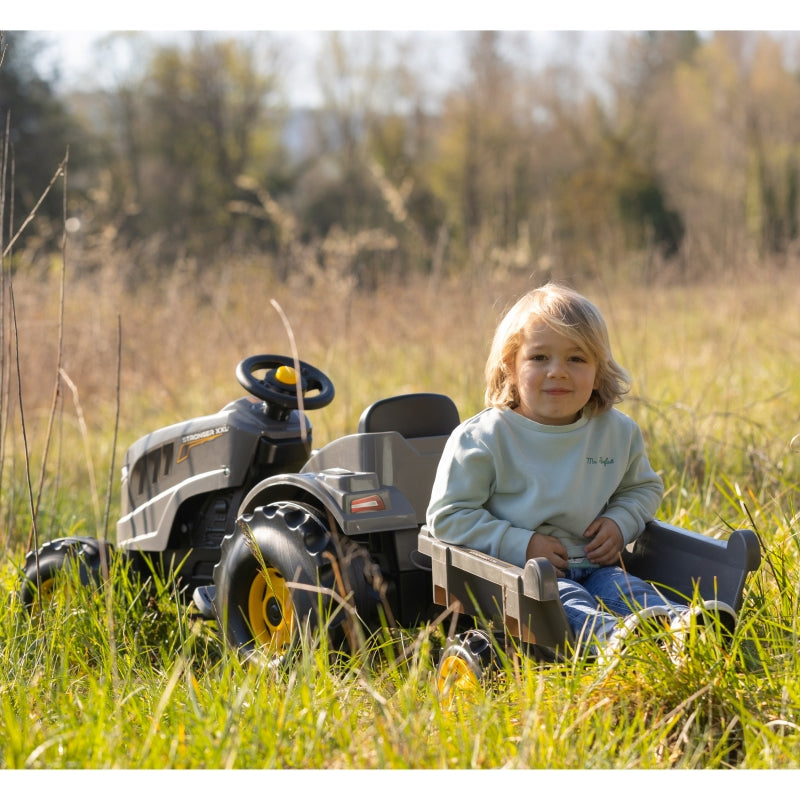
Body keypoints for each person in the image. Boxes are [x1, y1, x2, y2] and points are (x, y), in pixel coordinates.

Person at [426, 282, 735, 662]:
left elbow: (642, 489)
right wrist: (521, 543)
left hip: (597, 563)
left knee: (628, 589)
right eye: (539, 358)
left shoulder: (615, 432)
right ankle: (614, 641)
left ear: (598, 369)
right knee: (565, 603)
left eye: (576, 359)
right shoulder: (485, 439)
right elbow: (449, 516)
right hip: (526, 576)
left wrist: (620, 523)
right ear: (510, 364)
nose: (558, 372)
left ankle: (682, 631)